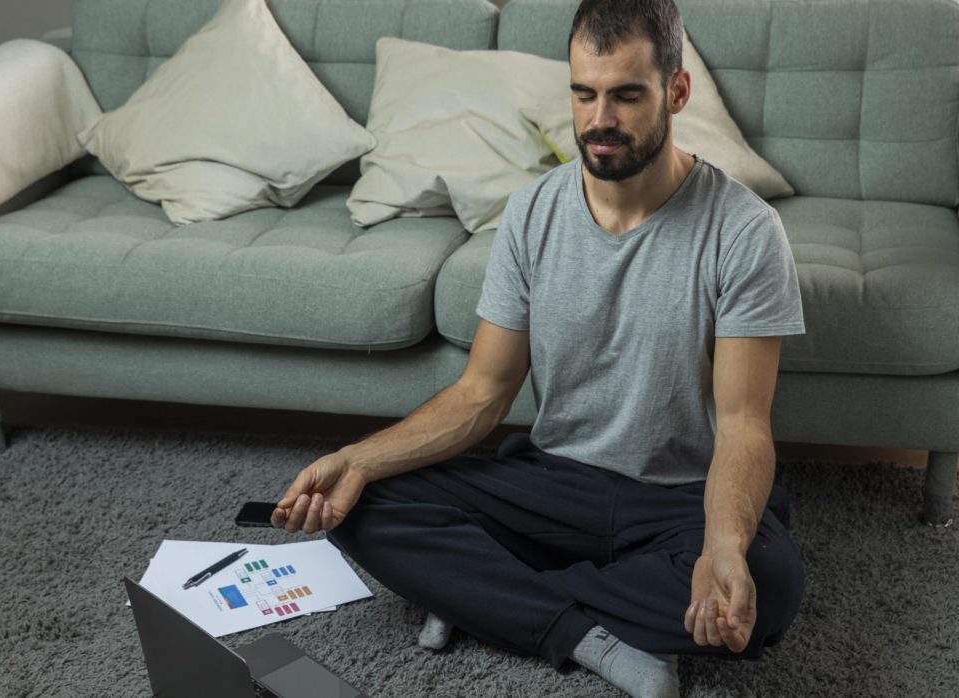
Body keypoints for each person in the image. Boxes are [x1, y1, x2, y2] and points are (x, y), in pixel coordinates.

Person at [270, 0, 806, 695]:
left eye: (625, 96)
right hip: (554, 484)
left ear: (676, 92)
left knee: (770, 582)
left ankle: (481, 596)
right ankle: (586, 634)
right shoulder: (532, 213)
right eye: (583, 93)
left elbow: (742, 426)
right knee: (364, 502)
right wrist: (356, 458)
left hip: (677, 500)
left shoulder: (745, 232)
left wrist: (724, 547)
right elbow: (481, 393)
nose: (598, 119)